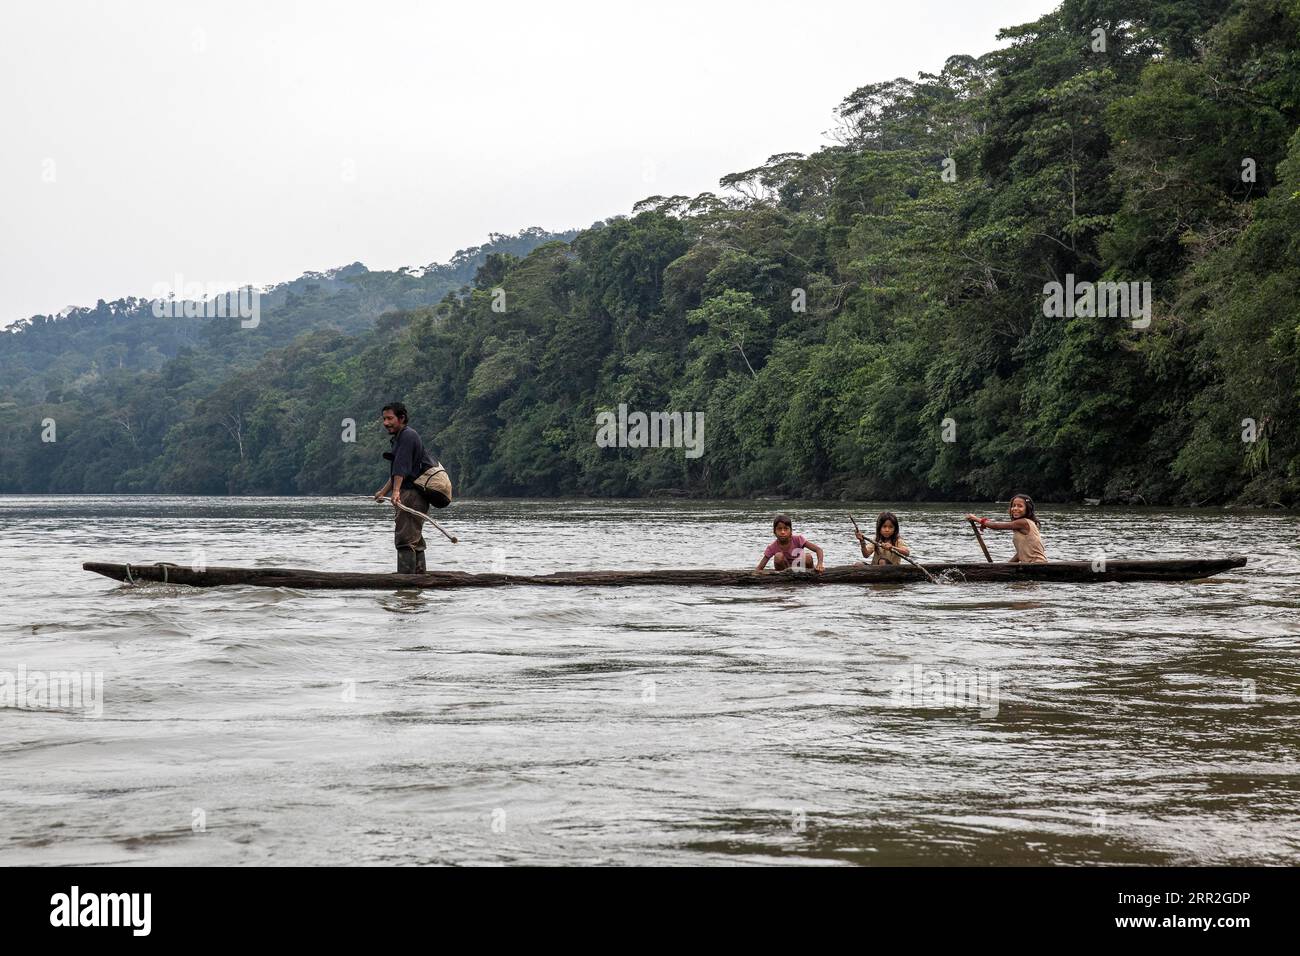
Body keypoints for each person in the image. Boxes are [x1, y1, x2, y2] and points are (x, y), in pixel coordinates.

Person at [373, 402, 447, 574]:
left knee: (405, 539)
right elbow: (400, 471)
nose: (386, 423)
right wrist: (384, 492)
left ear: (402, 418)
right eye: (384, 419)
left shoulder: (407, 436)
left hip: (412, 495)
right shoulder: (402, 437)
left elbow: (401, 467)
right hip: (414, 494)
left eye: (390, 418)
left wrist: (396, 492)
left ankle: (406, 584)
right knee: (415, 539)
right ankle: (418, 583)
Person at [965, 494, 1047, 563]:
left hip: (1037, 564)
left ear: (1027, 509)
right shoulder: (1023, 525)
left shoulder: (1023, 523)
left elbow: (996, 526)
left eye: (1020, 506)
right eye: (1013, 506)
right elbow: (1020, 553)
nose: (1015, 508)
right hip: (1030, 565)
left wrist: (977, 519)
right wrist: (1006, 566)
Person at [757, 514, 825, 573]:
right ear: (774, 532)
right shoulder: (772, 547)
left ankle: (809, 581)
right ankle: (785, 583)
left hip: (802, 571)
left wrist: (820, 564)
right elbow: (759, 568)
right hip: (784, 572)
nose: (783, 532)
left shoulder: (798, 539)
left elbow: (818, 550)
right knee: (778, 556)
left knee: (807, 557)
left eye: (786, 529)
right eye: (779, 529)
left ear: (791, 531)